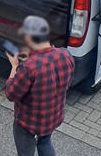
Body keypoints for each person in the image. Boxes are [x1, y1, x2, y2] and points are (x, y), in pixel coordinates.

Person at [5, 16, 75, 156]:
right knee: (45, 143)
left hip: (28, 123)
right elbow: (66, 83)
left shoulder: (29, 68)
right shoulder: (66, 55)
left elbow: (11, 94)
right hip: (52, 117)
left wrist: (14, 67)